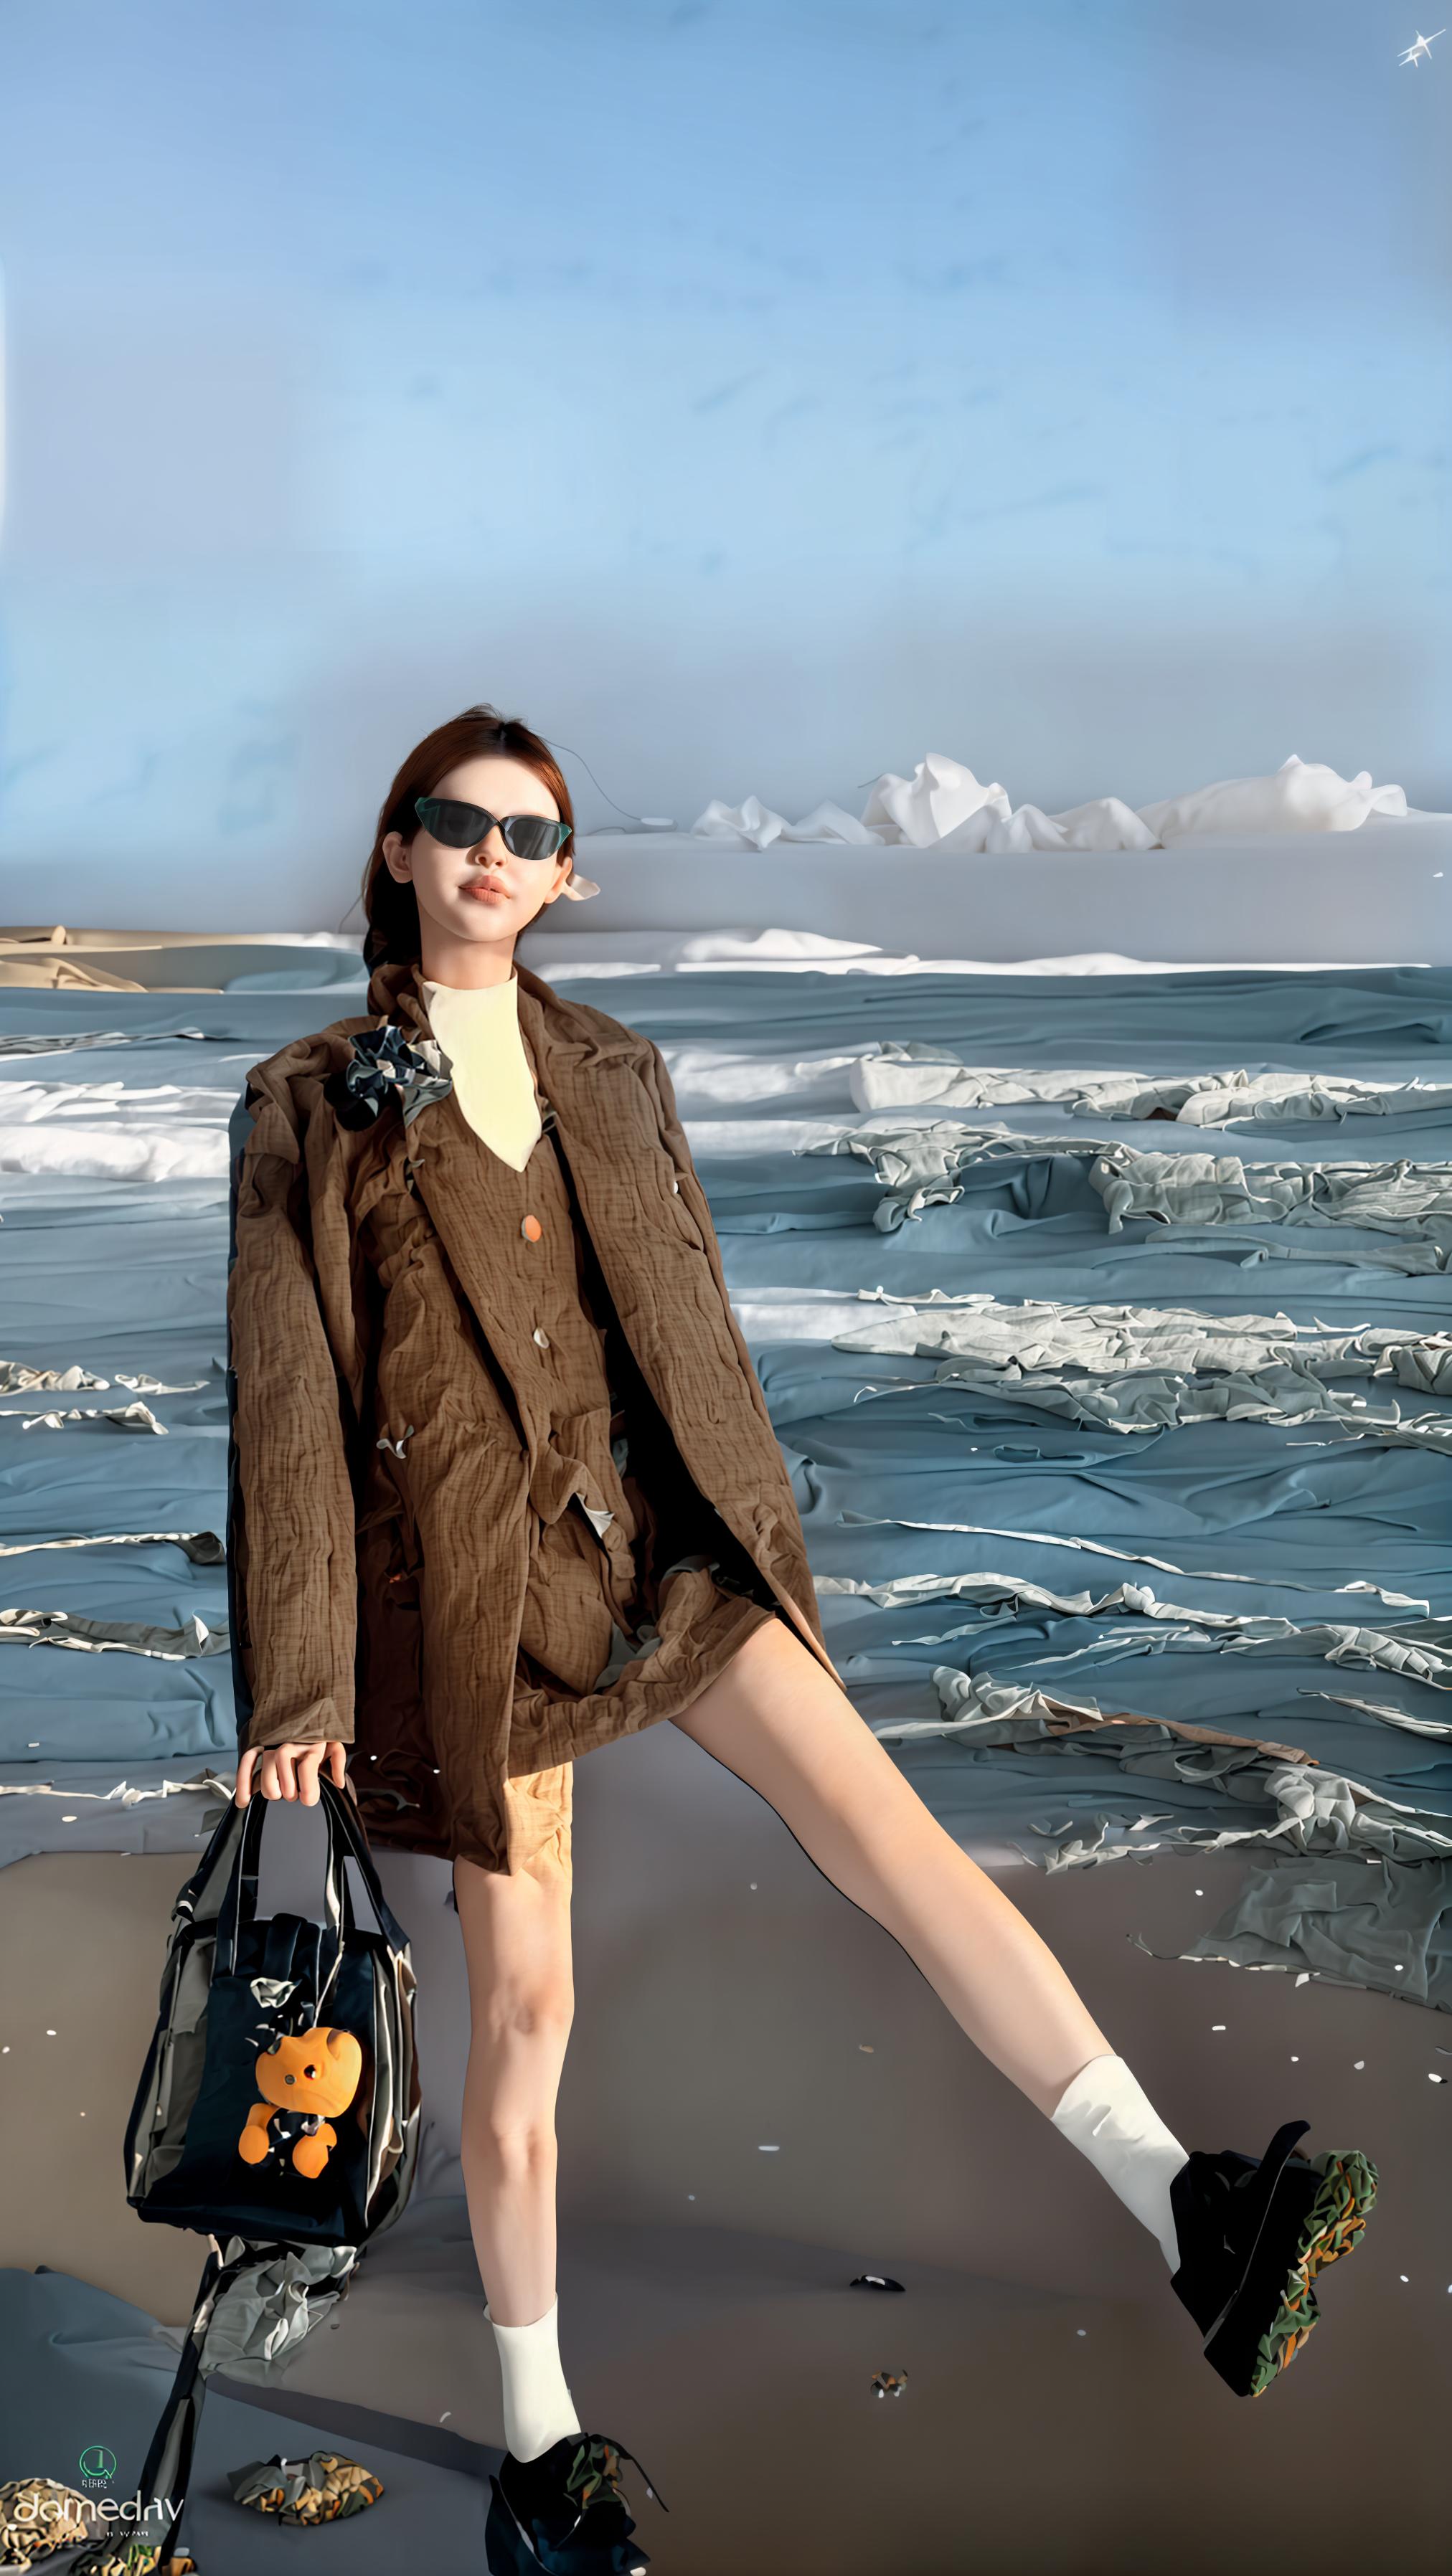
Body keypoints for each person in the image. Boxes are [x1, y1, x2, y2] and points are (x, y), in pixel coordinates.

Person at [231, 704, 1377, 2576]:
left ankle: (1194, 2226)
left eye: (527, 830)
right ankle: (542, 2453)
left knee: (913, 1862)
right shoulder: (306, 1099)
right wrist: (300, 1683)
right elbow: (280, 1395)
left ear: (564, 870)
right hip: (483, 1617)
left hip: (674, 1563)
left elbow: (691, 1335)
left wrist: (771, 1554)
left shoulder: (613, 1066)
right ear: (400, 847)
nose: (489, 852)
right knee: (530, 2026)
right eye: (455, 821)